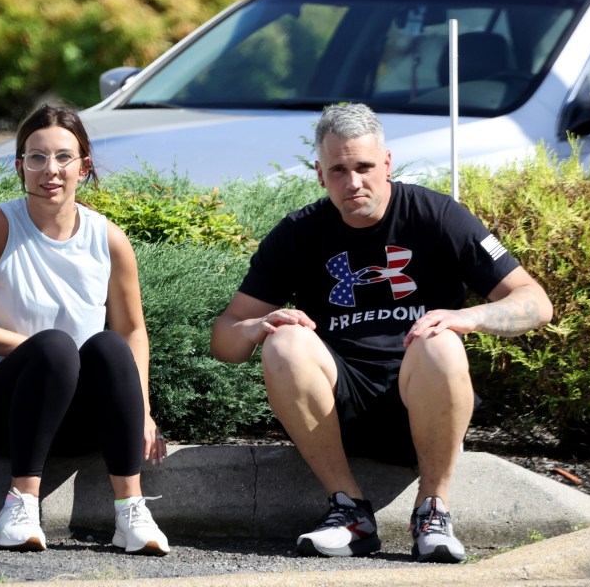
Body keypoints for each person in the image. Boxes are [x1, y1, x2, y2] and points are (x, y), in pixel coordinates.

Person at [210, 103, 553, 563]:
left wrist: (468, 317)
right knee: (285, 340)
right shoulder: (298, 233)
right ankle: (348, 510)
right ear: (319, 173)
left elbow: (534, 302)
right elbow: (224, 339)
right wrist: (257, 326)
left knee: (442, 341)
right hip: (338, 406)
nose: (353, 182)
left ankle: (433, 512)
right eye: (338, 170)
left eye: (364, 167)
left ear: (387, 163)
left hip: (423, 400)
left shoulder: (437, 215)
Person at [0, 104, 170, 555]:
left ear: (84, 167)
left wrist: (144, 412)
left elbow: (134, 330)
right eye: (36, 158)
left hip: (72, 420)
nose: (49, 170)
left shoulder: (109, 238)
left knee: (110, 347)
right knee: (56, 348)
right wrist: (31, 351)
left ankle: (131, 512)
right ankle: (19, 507)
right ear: (20, 167)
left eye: (63, 157)